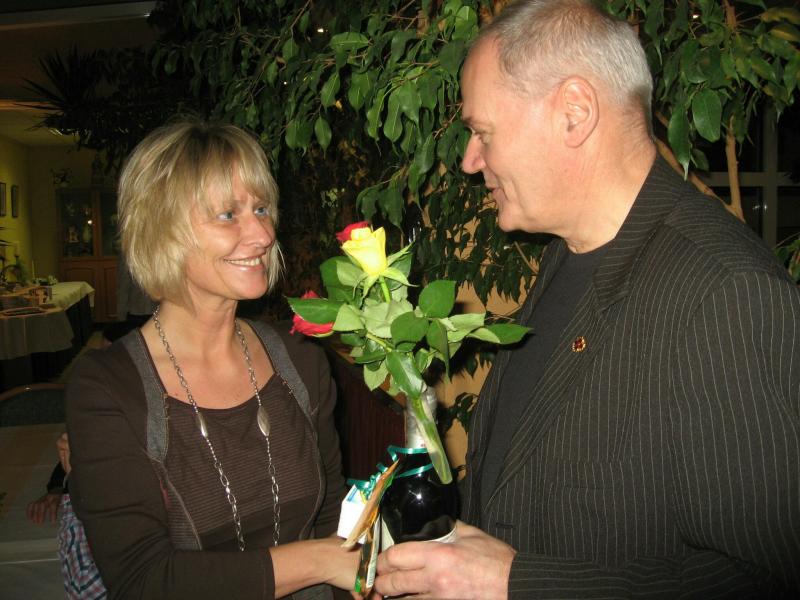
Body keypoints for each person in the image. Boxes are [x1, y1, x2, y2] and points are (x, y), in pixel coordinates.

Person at [374, 1, 800, 598]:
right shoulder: (568, 253)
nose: (470, 161)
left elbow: (770, 578)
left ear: (574, 113)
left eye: (482, 132)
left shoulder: (725, 293)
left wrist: (517, 583)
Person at [66, 120, 358, 599]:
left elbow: (332, 515)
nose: (262, 234)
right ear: (163, 232)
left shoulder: (301, 360)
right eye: (227, 215)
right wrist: (319, 561)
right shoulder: (108, 388)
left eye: (261, 208)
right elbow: (142, 581)